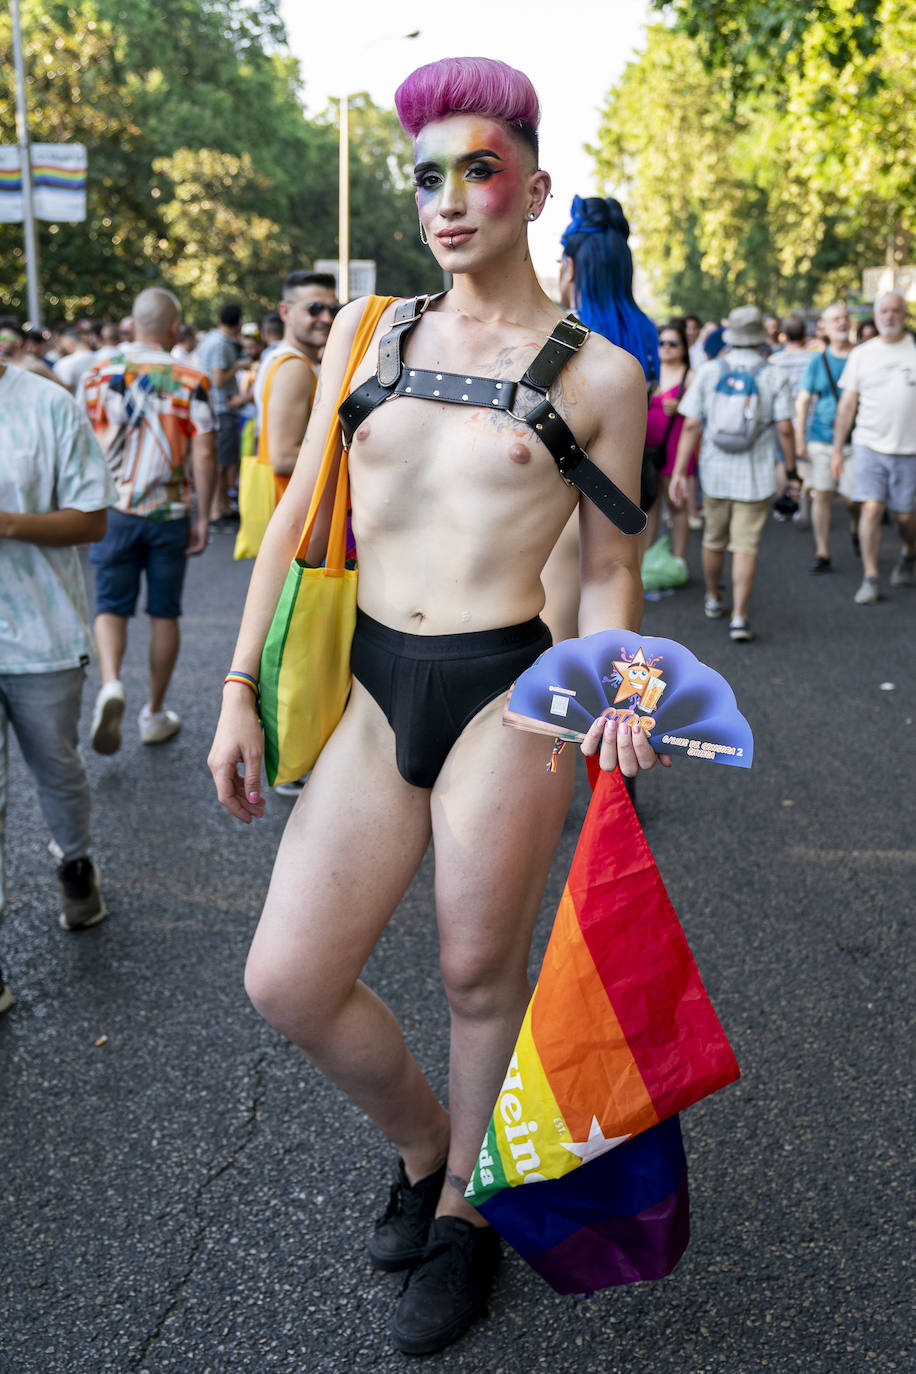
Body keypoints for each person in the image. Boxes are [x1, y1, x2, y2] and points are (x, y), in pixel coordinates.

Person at [208, 55, 666, 1356]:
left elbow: (614, 568)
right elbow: (298, 515)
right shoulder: (370, 333)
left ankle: (467, 1208)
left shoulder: (603, 378)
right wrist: (238, 687)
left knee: (478, 974)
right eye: (430, 177)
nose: (450, 201)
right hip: (369, 686)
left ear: (534, 186)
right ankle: (422, 1143)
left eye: (479, 171)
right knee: (288, 976)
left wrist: (618, 694)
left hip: (509, 693)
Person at [0, 359, 118, 1014]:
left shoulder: (47, 405)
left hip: (42, 636)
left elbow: (92, 519)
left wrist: (8, 522)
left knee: (57, 769)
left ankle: (75, 862)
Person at [80, 288, 217, 752]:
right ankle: (154, 713)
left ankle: (112, 683)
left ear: (131, 324)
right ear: (175, 327)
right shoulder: (191, 377)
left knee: (109, 604)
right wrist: (204, 515)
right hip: (168, 513)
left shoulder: (97, 374)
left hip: (113, 510)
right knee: (164, 612)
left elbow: (83, 445)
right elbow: (204, 449)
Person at [540, 194, 658, 642]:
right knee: (616, 591)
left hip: (568, 487)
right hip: (631, 481)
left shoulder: (564, 335)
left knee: (559, 629)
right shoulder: (644, 330)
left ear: (571, 266)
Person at [669, 304, 797, 642]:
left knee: (713, 538)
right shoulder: (774, 375)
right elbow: (784, 428)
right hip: (755, 475)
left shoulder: (710, 371)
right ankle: (739, 616)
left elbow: (692, 424)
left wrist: (680, 471)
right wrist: (793, 471)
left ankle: (713, 597)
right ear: (760, 337)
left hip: (715, 471)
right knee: (745, 545)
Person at [832, 292, 916, 604]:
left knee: (905, 517)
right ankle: (870, 577)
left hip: (909, 450)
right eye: (884, 311)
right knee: (870, 508)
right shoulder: (862, 354)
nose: (889, 316)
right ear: (876, 315)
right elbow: (847, 406)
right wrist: (839, 449)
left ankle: (909, 551)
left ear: (904, 315)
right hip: (868, 445)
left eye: (895, 310)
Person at [254, 271, 339, 502]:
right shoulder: (294, 368)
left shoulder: (283, 360)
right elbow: (284, 458)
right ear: (285, 312)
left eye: (333, 310)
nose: (326, 318)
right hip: (296, 510)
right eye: (314, 309)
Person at [794, 301, 857, 572]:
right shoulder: (817, 362)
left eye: (845, 318)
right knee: (821, 494)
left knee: (852, 498)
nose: (842, 322)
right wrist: (799, 439)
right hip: (821, 438)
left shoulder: (862, 357)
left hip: (857, 440)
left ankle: (857, 526)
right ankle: (822, 552)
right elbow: (803, 401)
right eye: (836, 319)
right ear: (826, 327)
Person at [643, 318, 695, 561]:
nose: (666, 347)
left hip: (676, 446)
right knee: (650, 505)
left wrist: (682, 406)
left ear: (684, 347)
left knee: (676, 505)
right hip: (648, 447)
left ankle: (679, 559)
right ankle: (648, 561)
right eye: (661, 342)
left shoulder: (692, 376)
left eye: (673, 343)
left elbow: (700, 416)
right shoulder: (648, 372)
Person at [196, 303, 248, 527]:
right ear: (237, 322)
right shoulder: (222, 344)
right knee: (222, 461)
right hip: (222, 409)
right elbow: (218, 379)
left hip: (215, 408)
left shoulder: (209, 339)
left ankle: (223, 505)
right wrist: (239, 366)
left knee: (223, 460)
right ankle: (219, 509)